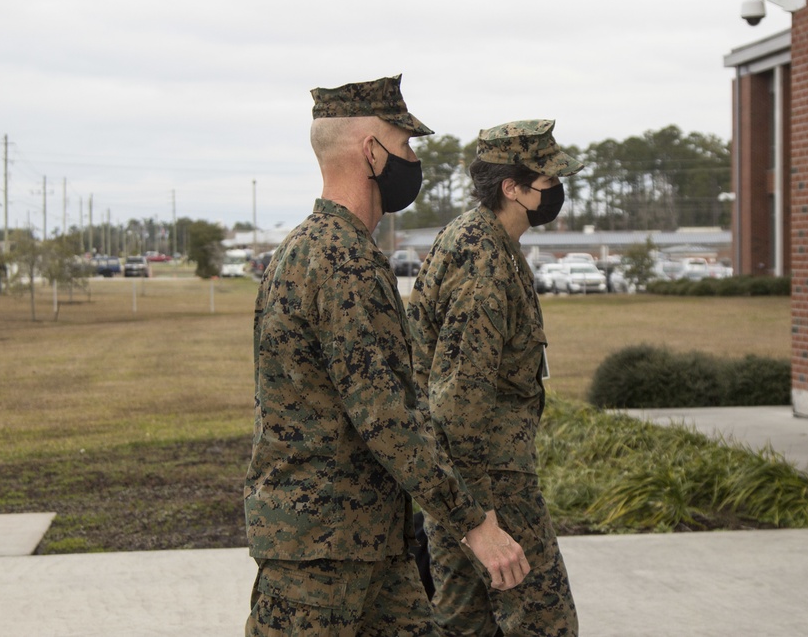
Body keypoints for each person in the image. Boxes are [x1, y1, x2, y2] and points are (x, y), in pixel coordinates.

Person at [244, 76, 530, 637]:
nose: (415, 160)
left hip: (365, 541)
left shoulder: (306, 247)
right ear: (371, 152)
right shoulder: (342, 260)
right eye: (406, 147)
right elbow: (387, 415)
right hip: (323, 553)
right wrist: (473, 522)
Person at [407, 119, 582, 636]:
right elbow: (460, 398)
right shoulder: (481, 260)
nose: (556, 190)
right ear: (513, 188)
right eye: (548, 180)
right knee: (546, 622)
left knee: (467, 623)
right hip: (490, 485)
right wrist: (478, 517)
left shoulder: (490, 242)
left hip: (466, 483)